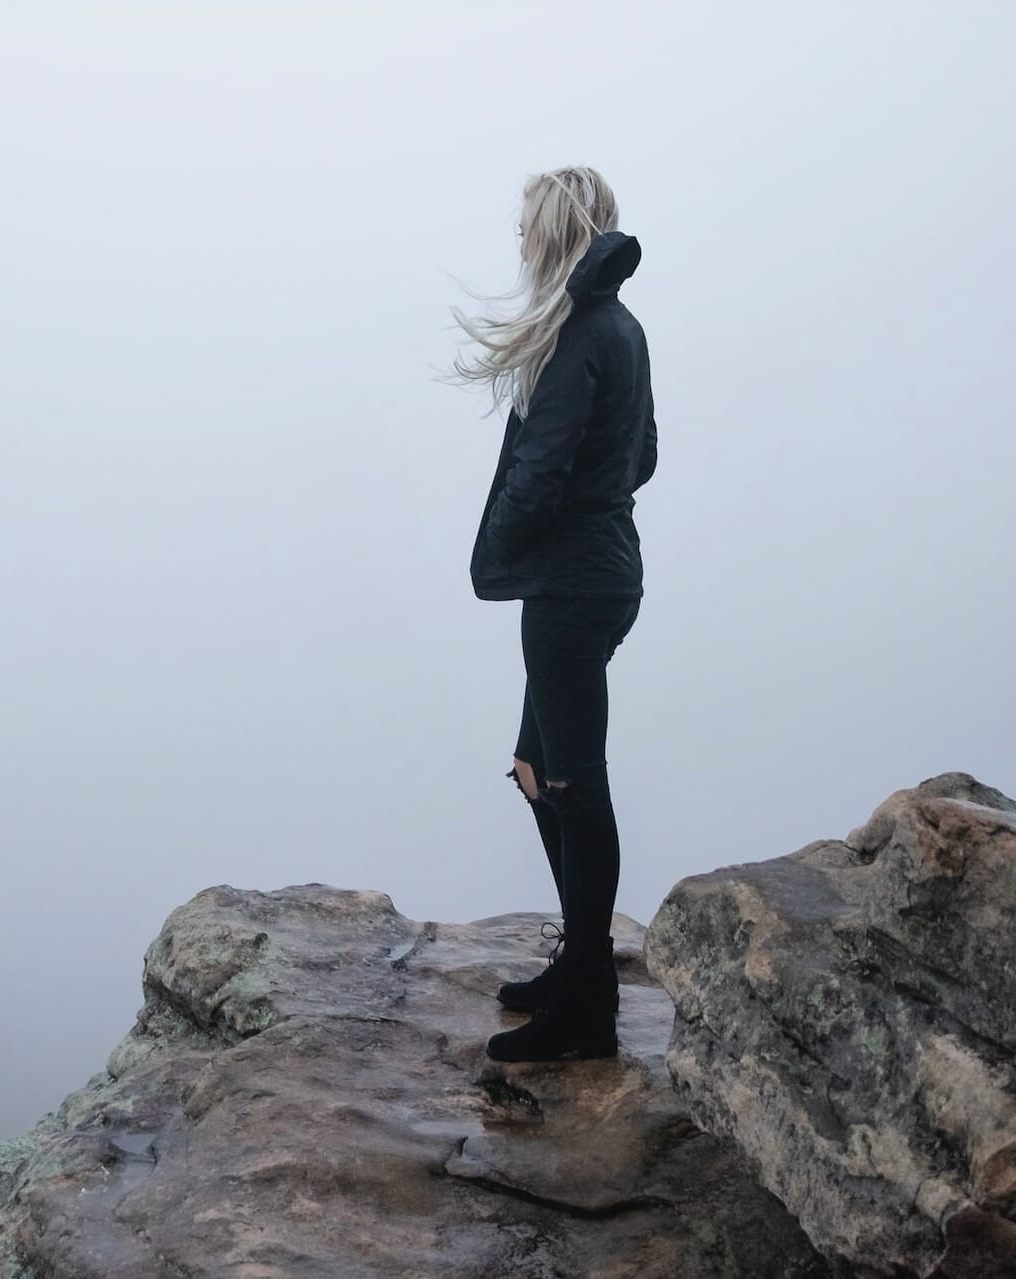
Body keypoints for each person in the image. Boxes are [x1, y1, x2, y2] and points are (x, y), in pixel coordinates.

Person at [447, 165, 657, 1062]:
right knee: (539, 768)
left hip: (572, 588)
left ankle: (589, 1000)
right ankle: (579, 963)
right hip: (597, 577)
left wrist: (515, 533)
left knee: (575, 780)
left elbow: (545, 464)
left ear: (554, 229)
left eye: (525, 225)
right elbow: (642, 454)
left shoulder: (581, 330)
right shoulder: (621, 326)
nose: (519, 240)